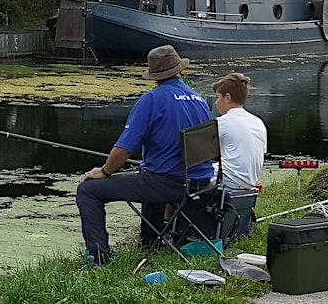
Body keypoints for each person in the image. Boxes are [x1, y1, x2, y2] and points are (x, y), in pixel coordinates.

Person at [75, 45, 213, 266]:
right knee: (150, 174)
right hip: (201, 184)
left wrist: (104, 171)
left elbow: (124, 149)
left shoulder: (151, 100)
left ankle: (99, 255)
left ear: (155, 76)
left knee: (88, 190)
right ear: (180, 70)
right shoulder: (199, 99)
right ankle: (150, 243)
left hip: (171, 184)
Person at [211, 72, 266, 239]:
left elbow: (199, 154)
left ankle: (168, 228)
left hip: (229, 182)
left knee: (179, 178)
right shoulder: (258, 122)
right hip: (250, 183)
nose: (216, 102)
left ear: (227, 97)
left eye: (218, 97)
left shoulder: (223, 122)